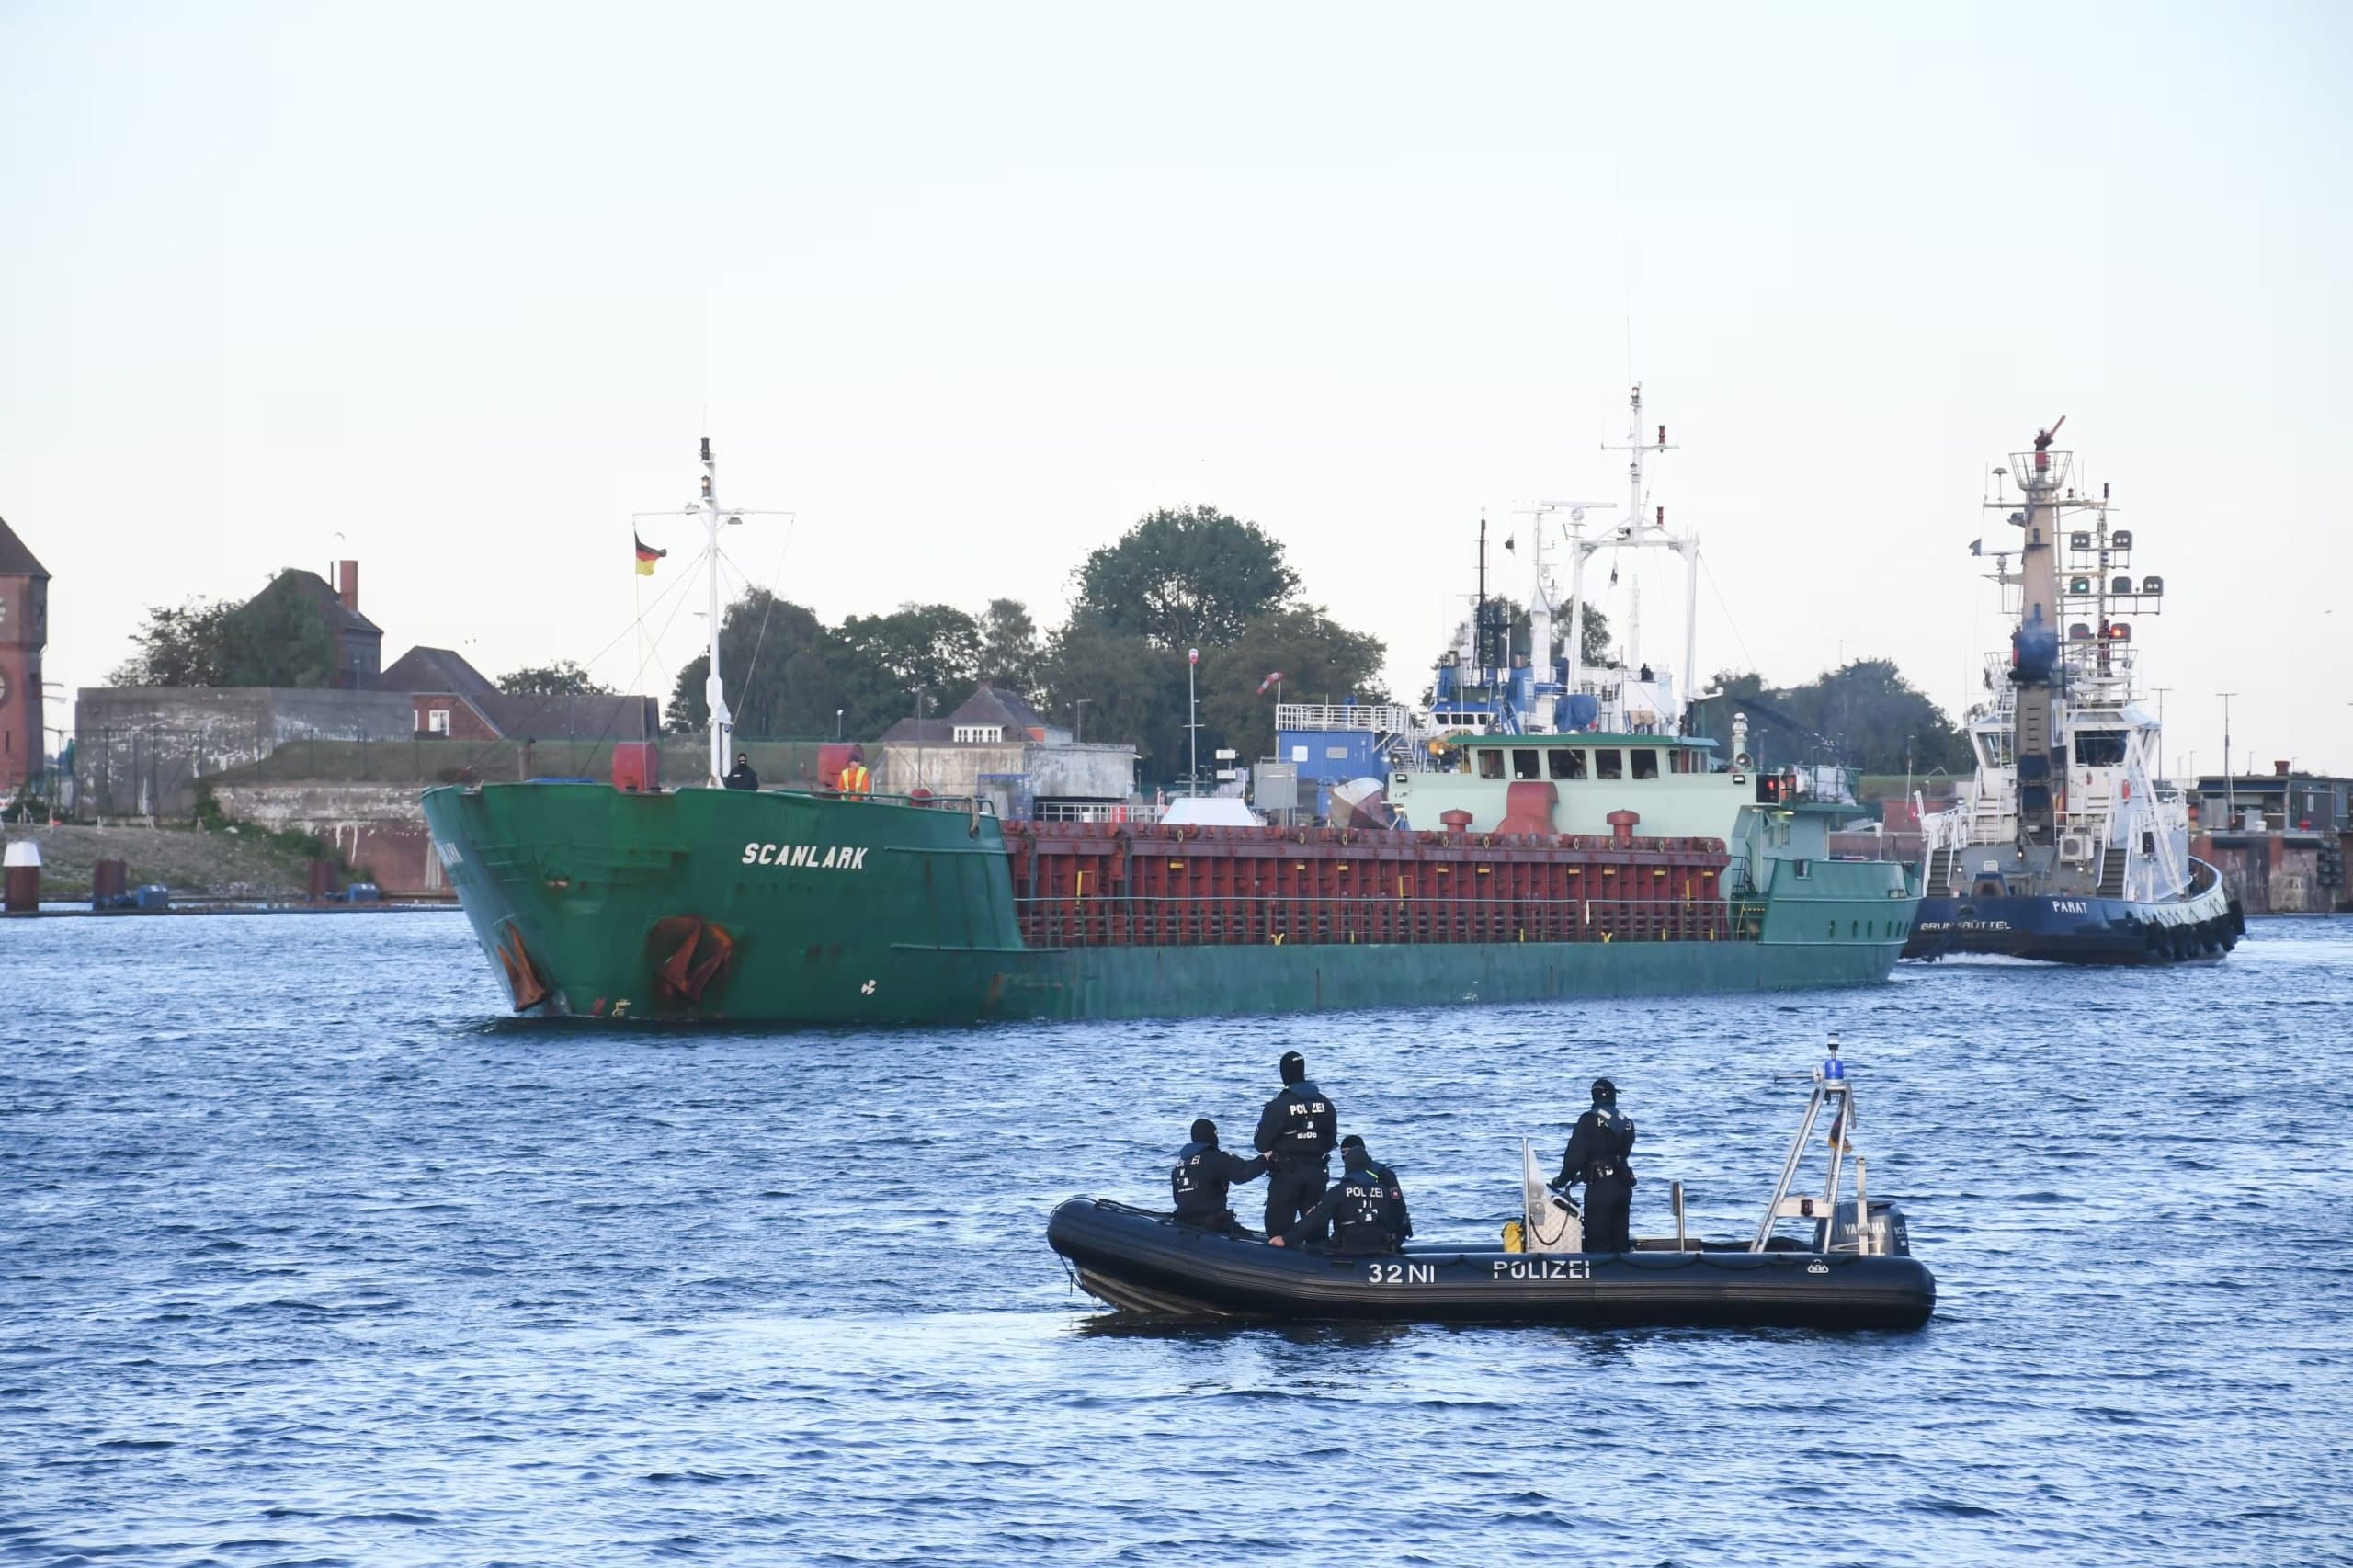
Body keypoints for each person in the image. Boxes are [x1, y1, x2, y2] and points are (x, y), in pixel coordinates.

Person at [1269, 1134, 1409, 1255]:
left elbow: (1317, 1217)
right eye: (1343, 1153)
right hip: (1378, 1242)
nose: (1344, 1157)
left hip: (1352, 1245)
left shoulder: (1342, 1189)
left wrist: (1286, 1239)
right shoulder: (1383, 1191)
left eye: (1347, 1153)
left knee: (1313, 1249)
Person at [1254, 1051, 1336, 1241]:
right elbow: (1331, 1141)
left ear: (1284, 1074)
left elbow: (1261, 1143)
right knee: (1317, 1233)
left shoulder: (1279, 1105)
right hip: (1317, 1174)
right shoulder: (1325, 1103)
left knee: (1278, 1233)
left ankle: (1280, 1268)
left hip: (1287, 1175)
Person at [1551, 1077, 1637, 1253]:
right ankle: (1621, 1276)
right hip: (1623, 1185)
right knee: (1619, 1240)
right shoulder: (1627, 1122)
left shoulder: (1588, 1120)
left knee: (1598, 1242)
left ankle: (1598, 1278)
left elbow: (1574, 1158)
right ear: (1612, 1096)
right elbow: (1623, 1152)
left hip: (1600, 1187)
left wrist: (1561, 1180)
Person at [1169, 1118, 1267, 1234]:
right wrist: (1265, 1159)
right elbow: (1243, 1173)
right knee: (1249, 1240)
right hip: (1211, 1225)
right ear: (1212, 1136)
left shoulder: (1179, 1165)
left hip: (1183, 1224)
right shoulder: (1215, 1158)